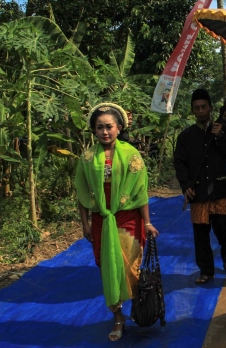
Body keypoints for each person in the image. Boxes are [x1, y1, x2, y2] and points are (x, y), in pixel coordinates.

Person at [75, 102, 159, 342]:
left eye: (109, 126)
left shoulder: (132, 156)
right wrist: (85, 224)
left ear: (119, 127)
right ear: (94, 130)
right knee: (107, 269)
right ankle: (118, 318)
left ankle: (137, 306)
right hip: (101, 220)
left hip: (128, 219)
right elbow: (82, 193)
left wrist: (148, 222)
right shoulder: (88, 157)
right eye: (99, 127)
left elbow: (141, 191)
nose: (105, 132)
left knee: (129, 268)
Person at [174, 89, 226, 284]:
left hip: (220, 191)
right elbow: (180, 163)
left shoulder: (222, 130)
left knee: (224, 230)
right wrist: (185, 186)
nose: (201, 111)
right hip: (198, 192)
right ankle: (206, 270)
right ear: (192, 111)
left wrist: (219, 137)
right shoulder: (186, 136)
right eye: (197, 108)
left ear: (210, 108)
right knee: (201, 235)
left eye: (204, 107)